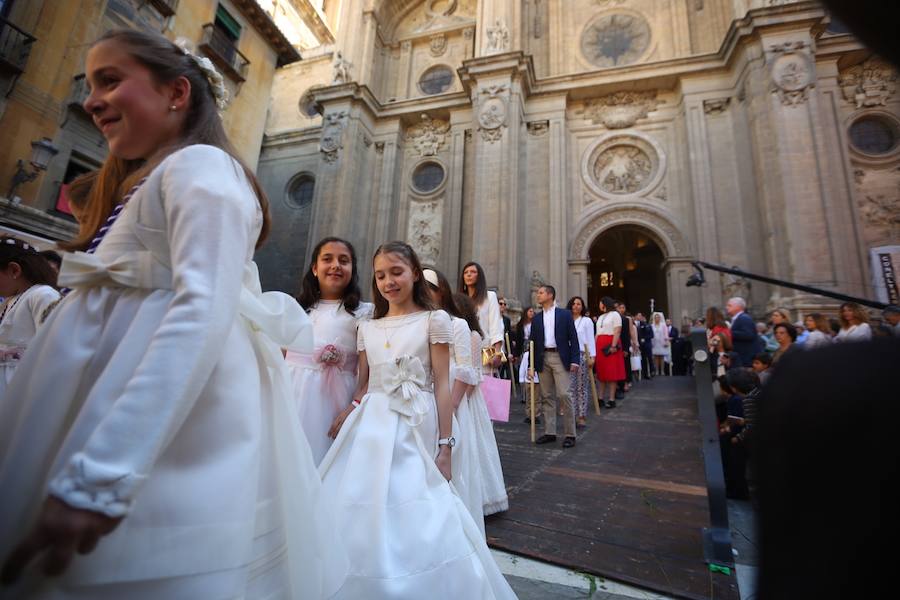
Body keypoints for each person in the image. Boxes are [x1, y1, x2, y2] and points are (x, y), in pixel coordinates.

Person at [0, 29, 343, 598]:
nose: (91, 99)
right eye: (90, 84)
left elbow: (200, 308)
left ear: (176, 94)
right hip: (101, 384)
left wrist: (102, 477)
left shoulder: (203, 167)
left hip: (145, 399)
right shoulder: (157, 176)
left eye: (111, 80)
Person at [319, 242, 516, 598]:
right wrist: (350, 408)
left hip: (417, 424)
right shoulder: (368, 327)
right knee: (361, 507)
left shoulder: (433, 320)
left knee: (421, 509)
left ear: (413, 273)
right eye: (380, 275)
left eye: (396, 272)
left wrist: (445, 445)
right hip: (370, 429)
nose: (388, 282)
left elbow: (441, 384)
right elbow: (363, 385)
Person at [286, 237, 372, 465]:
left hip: (338, 399)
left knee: (326, 458)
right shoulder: (296, 309)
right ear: (315, 268)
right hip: (292, 392)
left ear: (352, 270)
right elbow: (279, 355)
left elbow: (370, 368)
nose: (335, 265)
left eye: (344, 261)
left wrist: (354, 406)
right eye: (327, 259)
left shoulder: (363, 313)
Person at [423, 269, 484, 533]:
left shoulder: (456, 324)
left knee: (450, 459)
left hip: (448, 397)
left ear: (441, 292)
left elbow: (465, 369)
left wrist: (454, 404)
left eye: (430, 288)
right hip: (424, 399)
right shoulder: (417, 321)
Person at [455, 293, 509, 517]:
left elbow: (475, 371)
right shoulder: (454, 330)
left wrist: (462, 399)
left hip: (468, 396)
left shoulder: (474, 334)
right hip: (458, 392)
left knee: (475, 444)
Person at [0, 238, 61, 400]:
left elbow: (54, 345)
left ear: (14, 270)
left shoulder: (43, 295)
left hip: (17, 386)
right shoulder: (12, 299)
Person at [529, 285, 580, 448]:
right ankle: (550, 432)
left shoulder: (564, 314)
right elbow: (532, 343)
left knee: (565, 394)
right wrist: (531, 365)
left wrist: (575, 360)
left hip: (560, 357)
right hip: (542, 357)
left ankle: (570, 434)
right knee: (546, 396)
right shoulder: (536, 318)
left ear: (550, 295)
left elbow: (573, 337)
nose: (538, 295)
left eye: (541, 293)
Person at [459, 262, 503, 373]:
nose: (469, 274)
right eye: (466, 272)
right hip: (462, 349)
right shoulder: (459, 300)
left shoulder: (489, 296)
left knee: (484, 383)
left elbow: (495, 326)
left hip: (484, 349)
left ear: (479, 276)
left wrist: (497, 353)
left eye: (473, 272)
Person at [566, 296, 595, 426]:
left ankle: (582, 415)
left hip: (582, 355)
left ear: (582, 307)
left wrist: (592, 356)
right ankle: (571, 413)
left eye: (579, 304)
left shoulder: (586, 321)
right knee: (570, 387)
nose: (576, 306)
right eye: (574, 304)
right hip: (569, 355)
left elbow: (590, 339)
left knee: (581, 387)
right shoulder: (567, 320)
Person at [595, 297, 625, 409]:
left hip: (610, 343)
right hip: (600, 344)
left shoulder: (615, 315)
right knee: (601, 372)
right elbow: (598, 333)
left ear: (605, 304)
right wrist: (594, 346)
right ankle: (600, 398)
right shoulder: (601, 317)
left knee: (612, 373)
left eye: (600, 303)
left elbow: (617, 330)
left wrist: (613, 345)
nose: (599, 306)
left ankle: (611, 399)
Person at [514, 306, 539, 420]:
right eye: (530, 311)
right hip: (524, 351)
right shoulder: (521, 325)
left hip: (534, 350)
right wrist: (516, 354)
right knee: (525, 377)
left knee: (535, 382)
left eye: (533, 311)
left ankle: (535, 412)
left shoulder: (537, 324)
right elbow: (519, 340)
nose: (532, 313)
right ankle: (527, 403)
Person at [726, 297, 763, 367]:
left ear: (738, 307)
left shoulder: (744, 318)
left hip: (746, 358)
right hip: (742, 357)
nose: (727, 307)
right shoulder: (739, 318)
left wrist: (728, 333)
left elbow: (748, 334)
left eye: (729, 305)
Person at [615, 301, 637, 395]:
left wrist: (635, 343)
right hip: (616, 342)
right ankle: (617, 383)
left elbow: (631, 332)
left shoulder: (628, 319)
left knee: (626, 363)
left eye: (623, 307)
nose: (621, 309)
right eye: (620, 308)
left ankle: (626, 382)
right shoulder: (615, 319)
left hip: (625, 342)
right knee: (617, 364)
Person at [650, 311, 670, 376]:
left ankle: (662, 371)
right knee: (656, 357)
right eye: (655, 317)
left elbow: (666, 334)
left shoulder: (663, 325)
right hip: (655, 342)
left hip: (662, 342)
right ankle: (656, 371)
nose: (657, 319)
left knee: (662, 357)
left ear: (660, 318)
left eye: (658, 317)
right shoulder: (652, 325)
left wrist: (666, 341)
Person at [635, 312, 654, 379]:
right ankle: (644, 373)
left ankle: (652, 371)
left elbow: (651, 335)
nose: (640, 317)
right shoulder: (636, 325)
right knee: (643, 359)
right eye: (638, 316)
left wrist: (645, 339)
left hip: (647, 344)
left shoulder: (647, 325)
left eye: (641, 316)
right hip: (641, 345)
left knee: (649, 358)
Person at [497, 296, 512, 379]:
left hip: (504, 350)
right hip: (493, 350)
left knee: (502, 374)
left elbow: (509, 336)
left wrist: (510, 352)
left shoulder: (506, 320)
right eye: (501, 303)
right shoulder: (491, 318)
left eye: (504, 304)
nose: (503, 305)